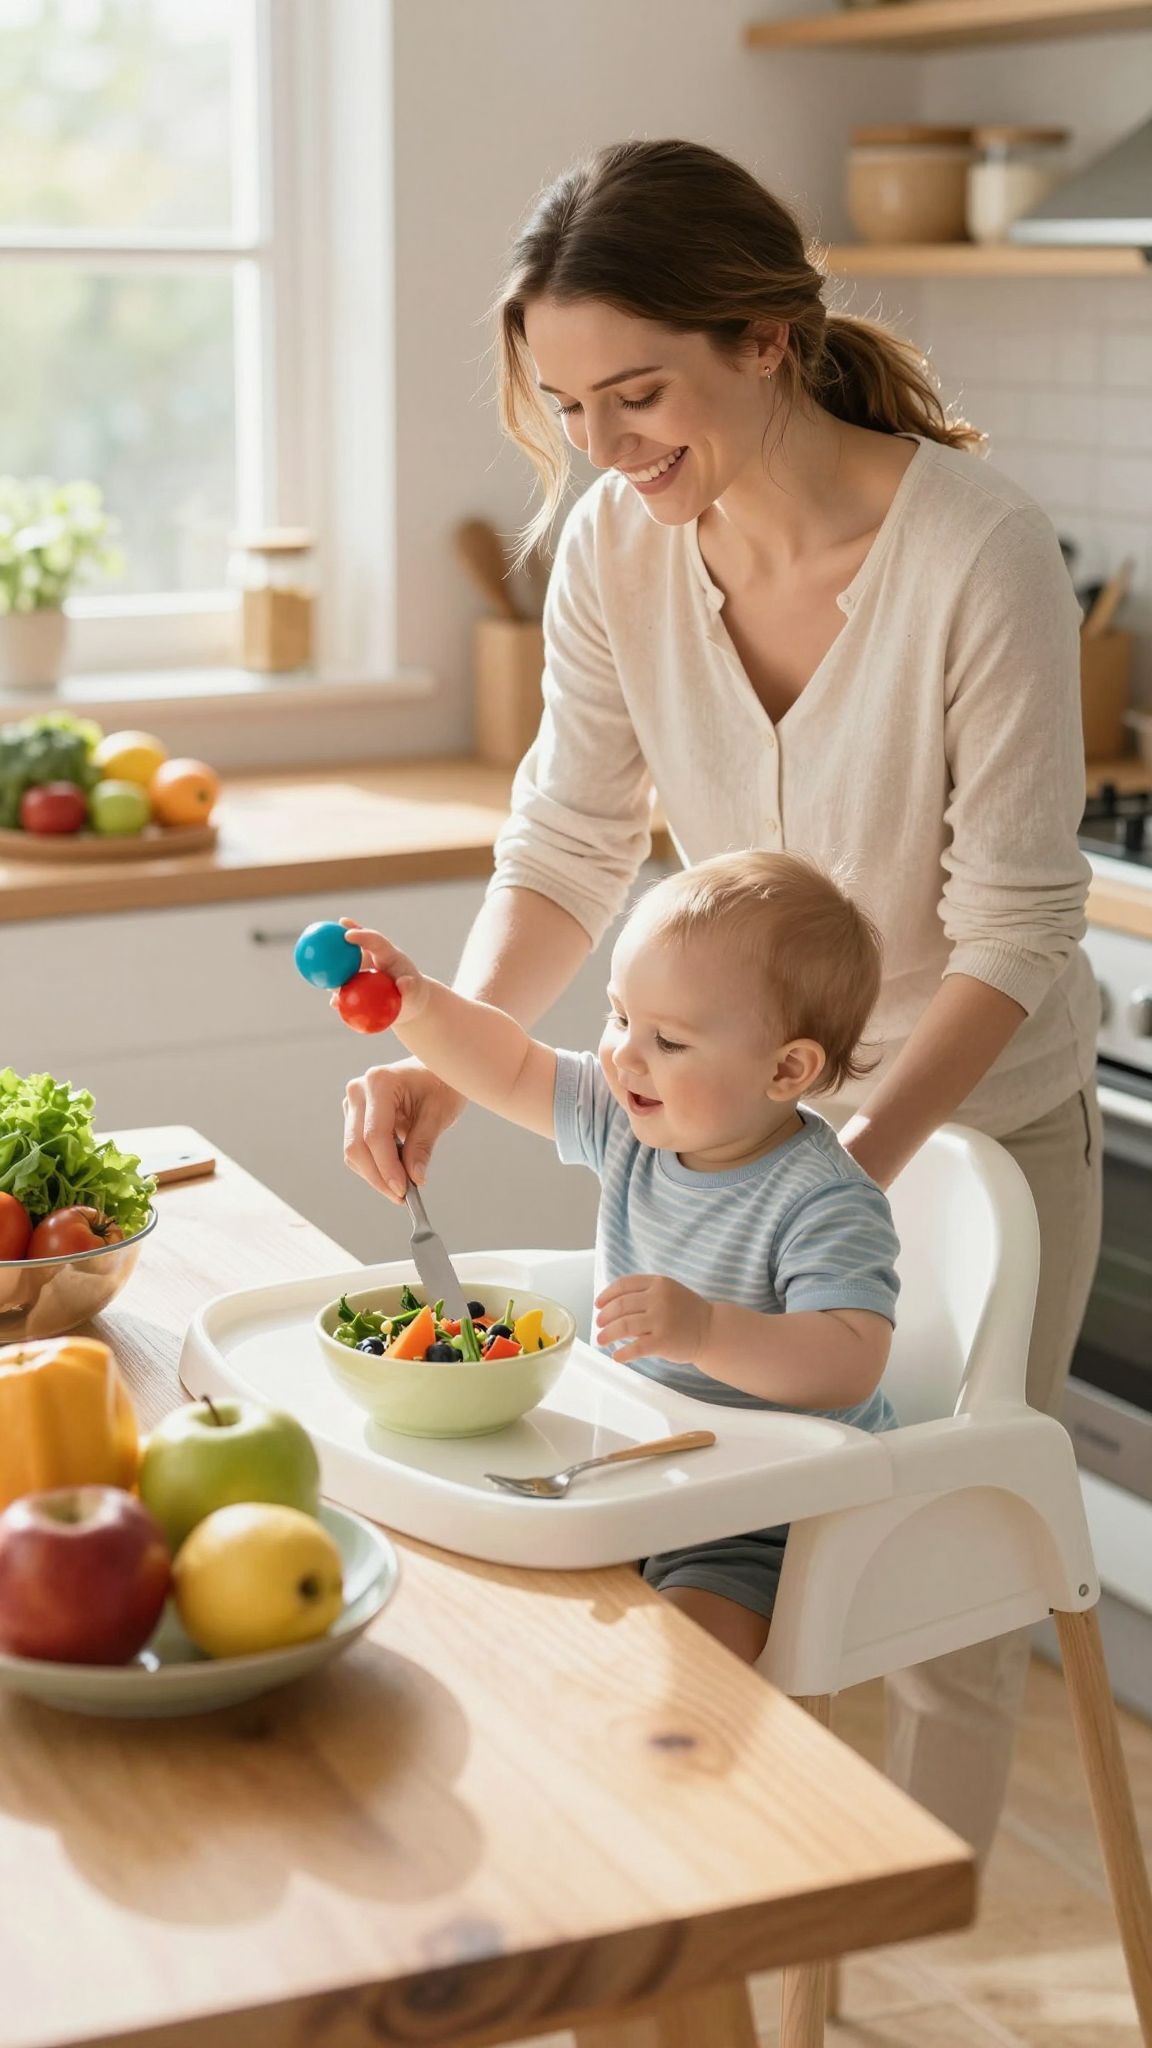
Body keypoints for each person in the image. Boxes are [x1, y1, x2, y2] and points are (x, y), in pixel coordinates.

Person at [343, 138, 1101, 1862]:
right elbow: (570, 834)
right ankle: (730, 1909)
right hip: (741, 1146)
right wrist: (452, 1058)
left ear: (765, 338)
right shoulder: (616, 548)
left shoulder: (972, 551)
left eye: (637, 396)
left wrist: (829, 1176)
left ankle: (894, 1916)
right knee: (725, 1543)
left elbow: (1013, 929)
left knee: (939, 1593)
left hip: (966, 1136)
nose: (605, 449)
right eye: (568, 408)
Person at [341, 849, 901, 1666]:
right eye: (618, 1017)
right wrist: (420, 1007)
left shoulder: (825, 1200)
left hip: (768, 1515)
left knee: (677, 1668)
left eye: (667, 1040)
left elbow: (850, 1359)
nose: (624, 1056)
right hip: (632, 1471)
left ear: (787, 1069)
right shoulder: (629, 1120)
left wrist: (707, 1332)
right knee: (502, 1619)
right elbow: (508, 1065)